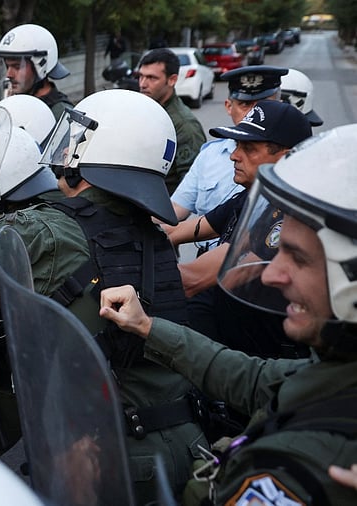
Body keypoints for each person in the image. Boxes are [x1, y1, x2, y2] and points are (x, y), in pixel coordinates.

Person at [0, 90, 205, 503]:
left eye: (76, 137)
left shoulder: (46, 230)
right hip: (189, 444)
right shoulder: (154, 238)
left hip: (106, 457)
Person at [98, 123, 357, 505]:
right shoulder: (337, 373)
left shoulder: (301, 468)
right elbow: (252, 380)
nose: (272, 273)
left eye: (298, 258)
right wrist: (147, 326)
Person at [166, 100, 312, 360]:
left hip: (261, 364)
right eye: (236, 146)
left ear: (286, 156)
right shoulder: (253, 195)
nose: (234, 155)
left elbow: (191, 280)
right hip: (230, 341)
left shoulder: (291, 216)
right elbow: (179, 230)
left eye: (249, 148)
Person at [170, 66, 288, 251]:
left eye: (263, 105)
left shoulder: (287, 160)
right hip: (207, 257)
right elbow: (177, 208)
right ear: (228, 107)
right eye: (245, 105)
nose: (253, 114)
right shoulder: (210, 154)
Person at [137, 48, 206, 194]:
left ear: (172, 80)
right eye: (141, 76)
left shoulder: (184, 125)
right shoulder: (145, 110)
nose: (143, 84)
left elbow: (192, 183)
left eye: (152, 78)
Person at [0, 23, 72, 119]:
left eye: (17, 66)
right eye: (7, 66)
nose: (9, 74)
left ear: (41, 65)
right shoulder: (14, 104)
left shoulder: (60, 114)